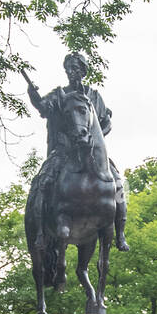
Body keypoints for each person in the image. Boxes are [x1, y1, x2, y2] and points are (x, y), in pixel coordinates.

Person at [25, 52, 129, 251]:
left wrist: (94, 140)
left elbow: (106, 124)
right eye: (68, 68)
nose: (71, 72)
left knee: (117, 182)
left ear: (83, 71)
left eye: (75, 68)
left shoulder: (95, 96)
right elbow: (42, 108)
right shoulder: (58, 95)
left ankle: (120, 233)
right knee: (43, 181)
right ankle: (40, 230)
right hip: (64, 150)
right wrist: (32, 93)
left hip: (91, 152)